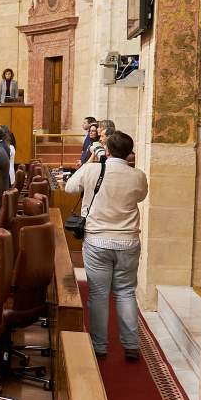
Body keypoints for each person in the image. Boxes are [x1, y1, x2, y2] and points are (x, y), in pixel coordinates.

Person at [66, 131, 148, 359]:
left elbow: (70, 187)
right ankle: (131, 344)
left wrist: (92, 160)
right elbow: (140, 197)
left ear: (108, 150)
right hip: (128, 242)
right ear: (130, 153)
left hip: (97, 241)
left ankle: (100, 346)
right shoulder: (138, 176)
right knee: (126, 292)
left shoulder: (93, 170)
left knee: (99, 294)